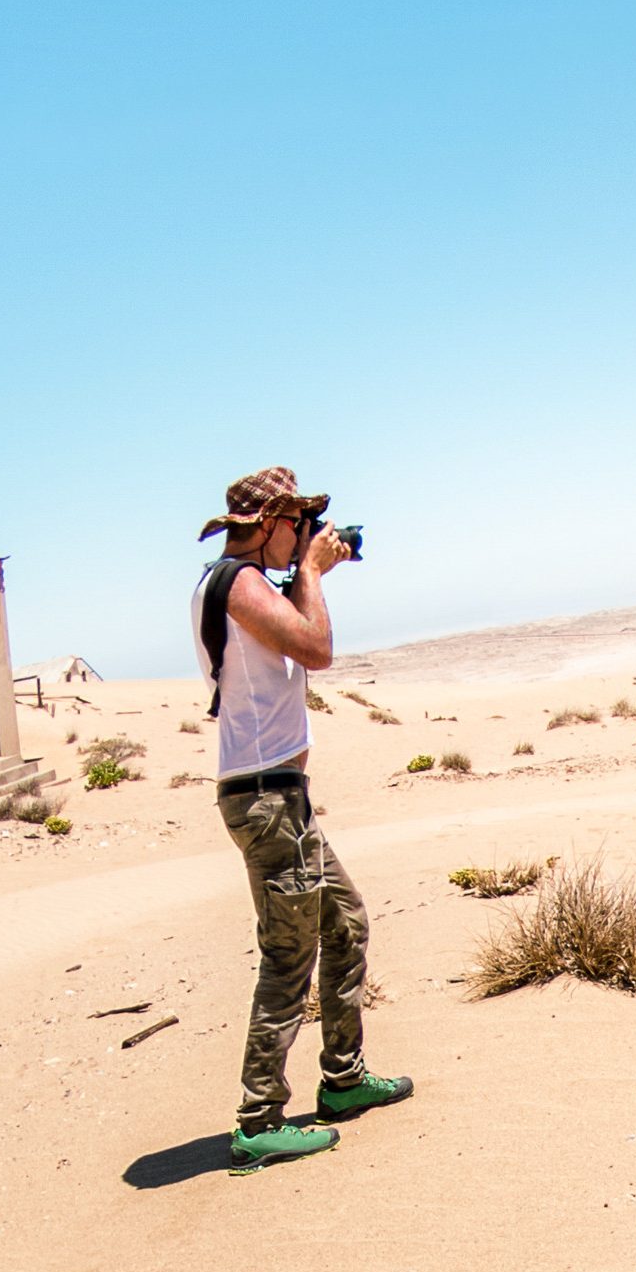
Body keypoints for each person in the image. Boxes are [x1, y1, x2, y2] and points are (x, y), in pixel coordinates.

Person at [193, 466, 413, 1171]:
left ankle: (343, 1078)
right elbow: (316, 648)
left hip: (278, 792)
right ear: (268, 525)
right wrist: (314, 572)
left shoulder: (248, 582)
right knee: (290, 953)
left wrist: (310, 572)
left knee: (344, 922)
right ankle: (258, 1118)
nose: (307, 536)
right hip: (264, 794)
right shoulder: (239, 581)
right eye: (300, 524)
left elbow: (291, 637)